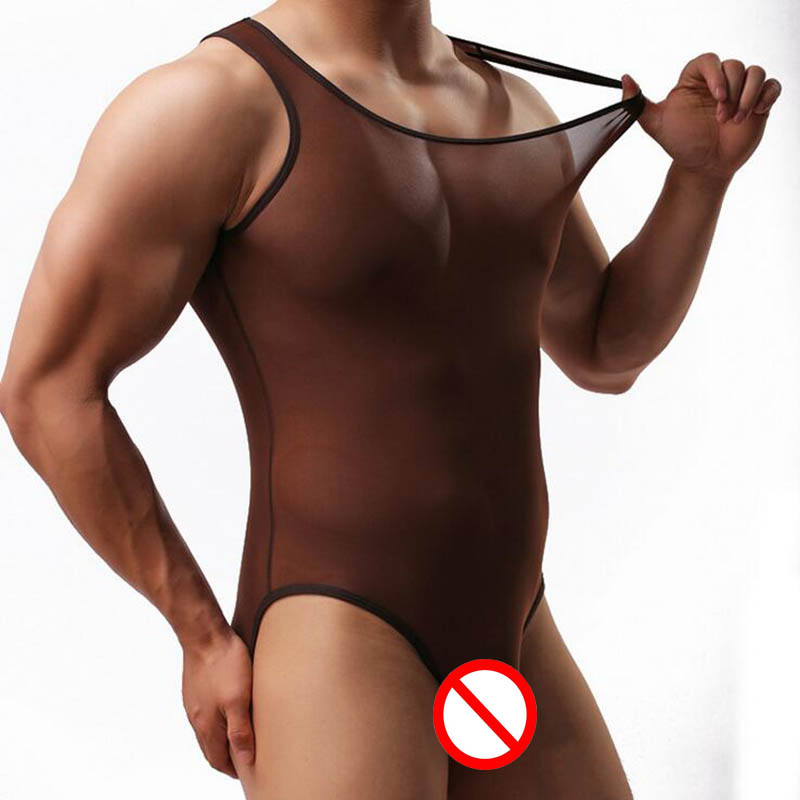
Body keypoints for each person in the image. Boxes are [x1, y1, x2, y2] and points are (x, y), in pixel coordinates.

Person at [0, 1, 780, 797]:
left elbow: (605, 349)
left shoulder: (509, 104)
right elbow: (46, 386)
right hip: (335, 633)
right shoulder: (215, 107)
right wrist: (199, 634)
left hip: (515, 623)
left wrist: (701, 180)